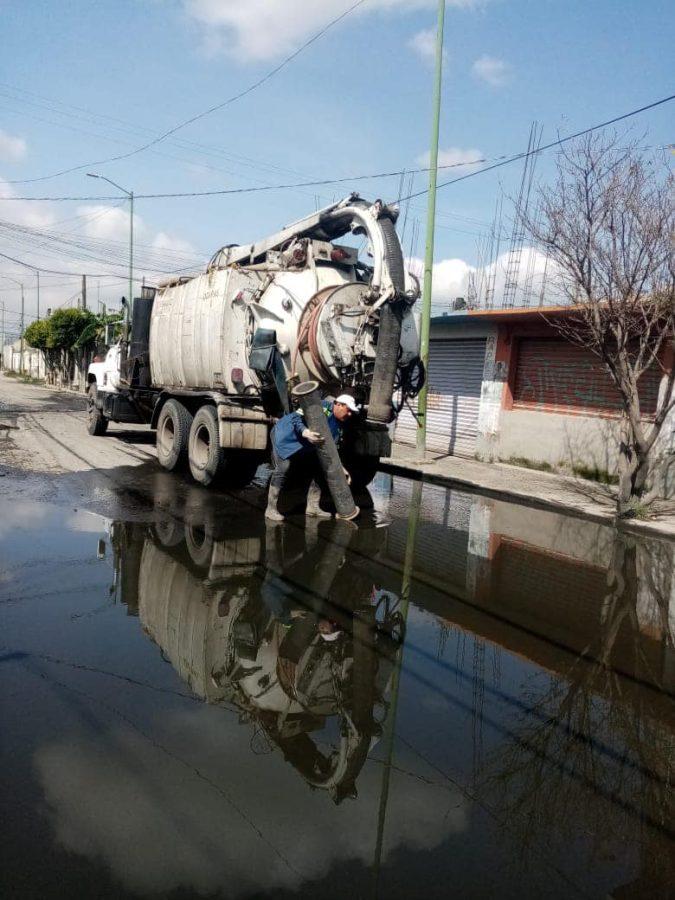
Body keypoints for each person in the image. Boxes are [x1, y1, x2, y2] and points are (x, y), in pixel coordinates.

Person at [265, 393, 359, 521]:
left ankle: (313, 507)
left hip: (304, 444)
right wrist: (305, 431)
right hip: (285, 436)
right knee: (283, 467)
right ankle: (270, 509)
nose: (349, 415)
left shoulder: (339, 425)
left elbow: (332, 448)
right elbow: (296, 418)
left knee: (321, 467)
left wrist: (341, 467)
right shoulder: (320, 405)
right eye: (348, 410)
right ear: (339, 405)